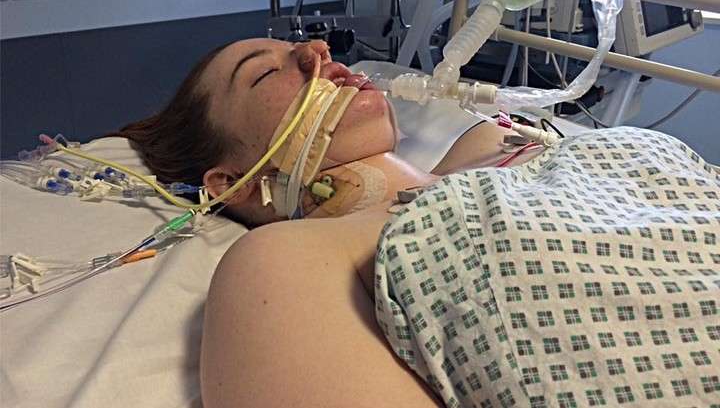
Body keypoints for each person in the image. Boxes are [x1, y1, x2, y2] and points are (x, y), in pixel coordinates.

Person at [117, 37, 543, 407]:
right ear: (231, 183)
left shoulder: (494, 143)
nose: (317, 51)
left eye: (304, 47)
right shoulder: (281, 264)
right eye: (264, 73)